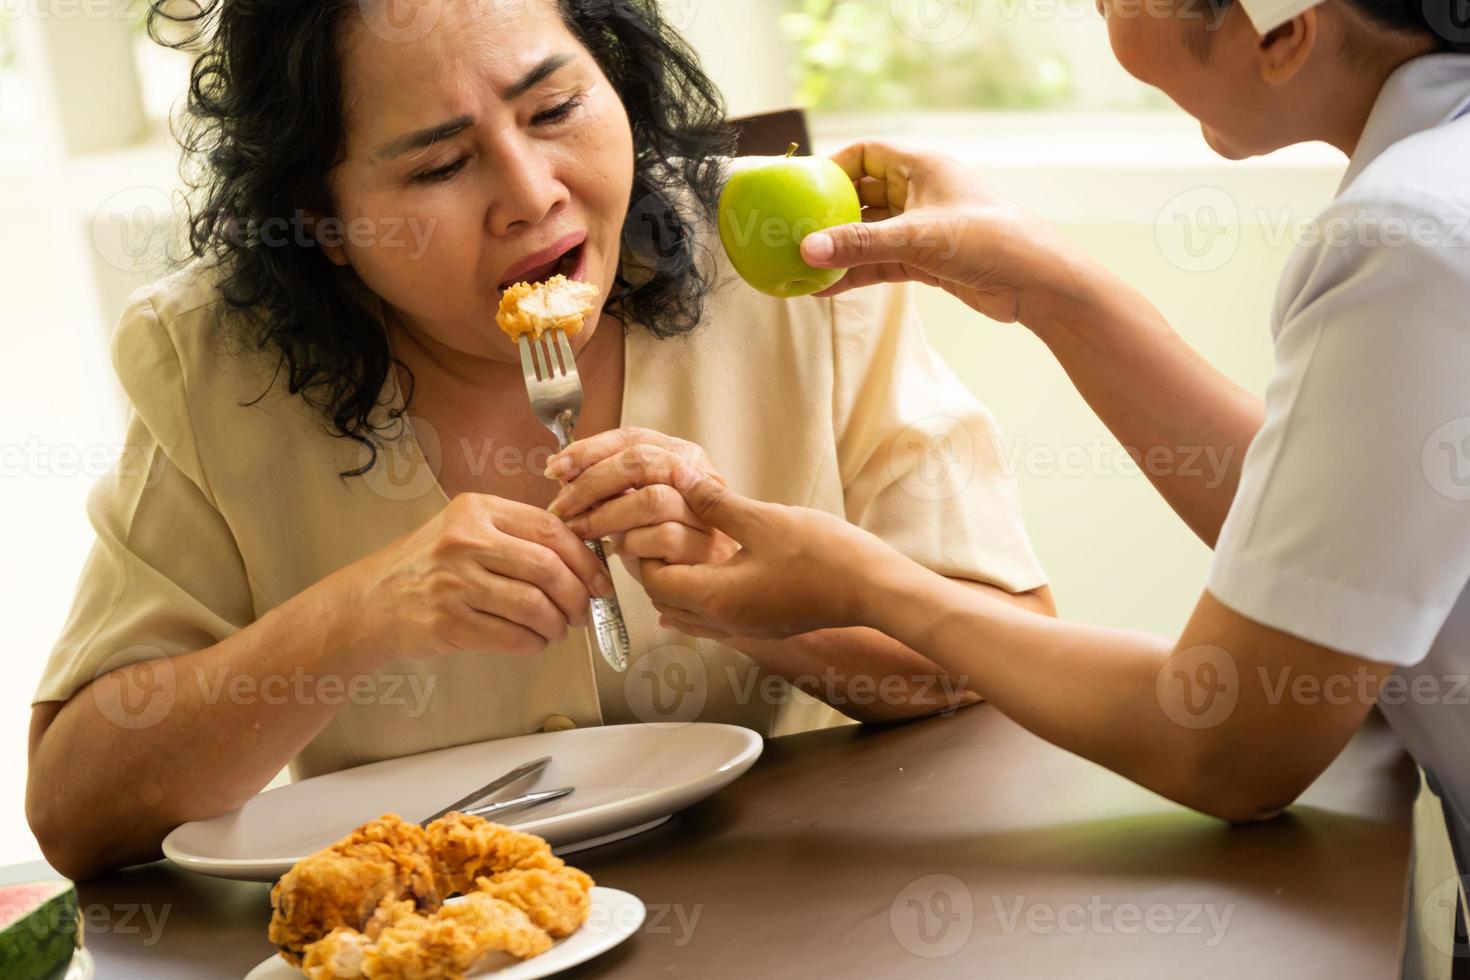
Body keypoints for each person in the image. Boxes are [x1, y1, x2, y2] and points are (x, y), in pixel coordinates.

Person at [25, 0, 1052, 880]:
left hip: (811, 912)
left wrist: (758, 602)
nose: (530, 193)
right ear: (324, 220)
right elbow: (78, 806)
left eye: (556, 109)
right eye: (439, 164)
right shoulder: (212, 359)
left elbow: (1014, 659)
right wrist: (355, 615)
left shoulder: (791, 270)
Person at [599, 0, 1470, 872]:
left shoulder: (1409, 240)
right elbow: (1331, 530)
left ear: (1284, 34)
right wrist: (1047, 287)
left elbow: (1231, 745)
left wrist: (863, 585)